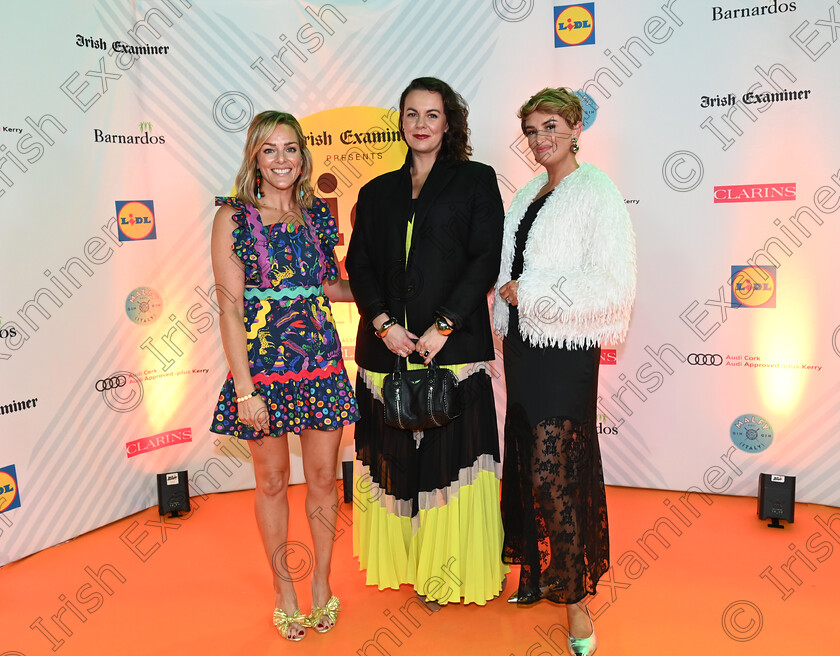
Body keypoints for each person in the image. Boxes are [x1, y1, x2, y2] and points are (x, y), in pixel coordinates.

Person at [346, 77, 507, 607]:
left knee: (451, 464)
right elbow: (360, 266)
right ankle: (408, 564)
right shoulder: (374, 192)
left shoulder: (477, 181)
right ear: (401, 121)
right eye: (411, 114)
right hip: (386, 353)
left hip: (452, 351)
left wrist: (444, 325)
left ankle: (449, 572)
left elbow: (484, 258)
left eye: (432, 115)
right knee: (396, 463)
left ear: (449, 122)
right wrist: (383, 325)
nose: (420, 124)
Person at [494, 88, 636, 655]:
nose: (540, 139)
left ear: (576, 127)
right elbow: (507, 271)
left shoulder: (596, 191)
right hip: (526, 351)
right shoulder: (528, 193)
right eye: (531, 130)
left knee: (556, 473)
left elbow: (614, 285)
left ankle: (577, 603)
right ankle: (537, 573)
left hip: (565, 352)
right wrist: (511, 307)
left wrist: (531, 294)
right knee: (528, 465)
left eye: (550, 126)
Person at [209, 111, 359, 641]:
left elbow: (332, 287)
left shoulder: (317, 215)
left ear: (303, 156)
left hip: (321, 364)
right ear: (254, 156)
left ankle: (321, 583)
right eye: (269, 150)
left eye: (290, 149)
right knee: (272, 482)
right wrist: (244, 387)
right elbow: (229, 308)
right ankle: (284, 590)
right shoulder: (233, 217)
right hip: (264, 373)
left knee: (323, 481)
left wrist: (397, 286)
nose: (281, 160)